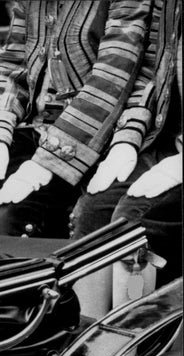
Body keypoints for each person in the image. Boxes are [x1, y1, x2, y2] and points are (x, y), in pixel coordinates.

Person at [0, 0, 155, 238]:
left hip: (97, 140)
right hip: (33, 132)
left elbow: (114, 75)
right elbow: (11, 65)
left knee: (16, 215)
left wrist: (47, 162)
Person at [73, 0, 181, 289]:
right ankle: (85, 329)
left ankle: (138, 332)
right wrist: (127, 139)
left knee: (131, 221)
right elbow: (150, 74)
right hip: (162, 139)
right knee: (92, 212)